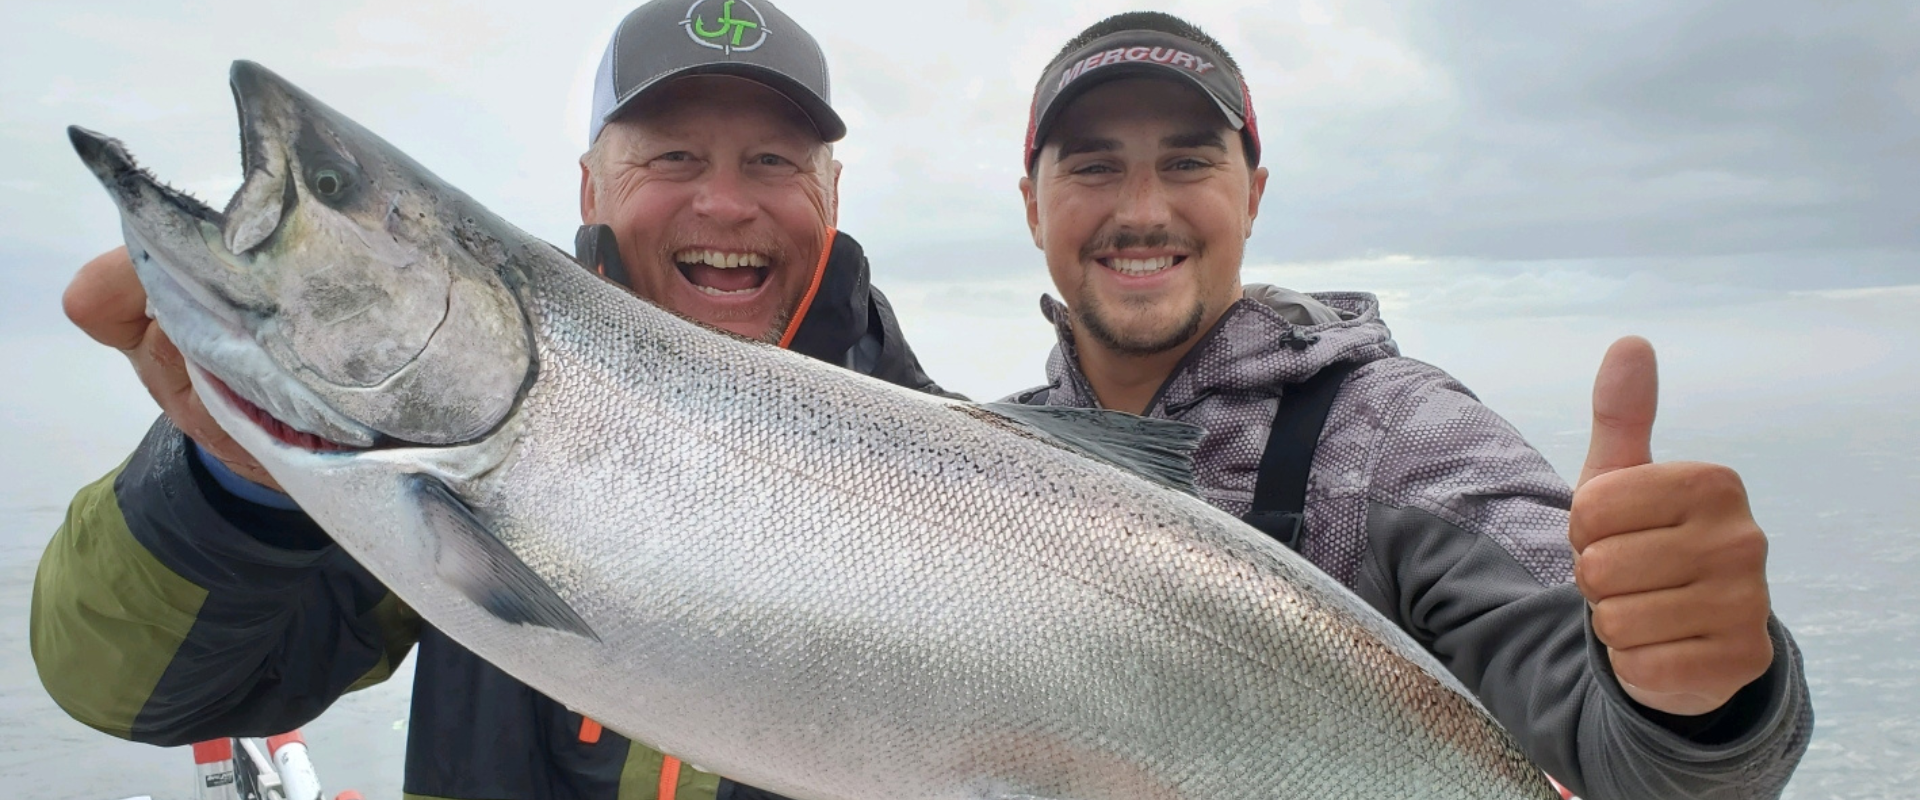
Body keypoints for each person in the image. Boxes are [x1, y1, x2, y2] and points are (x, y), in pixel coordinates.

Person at [31, 1, 934, 798]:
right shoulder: (432, 454)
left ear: (831, 195)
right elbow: (137, 690)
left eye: (774, 161)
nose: (726, 202)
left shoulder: (959, 476)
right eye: (674, 155)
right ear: (591, 187)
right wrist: (235, 490)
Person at [1007, 12, 1812, 800]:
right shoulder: (983, 462)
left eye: (1186, 164)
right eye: (1092, 167)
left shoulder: (1392, 440)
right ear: (1033, 204)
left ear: (1251, 197)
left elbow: (1636, 761)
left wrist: (1702, 700)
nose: (1143, 210)